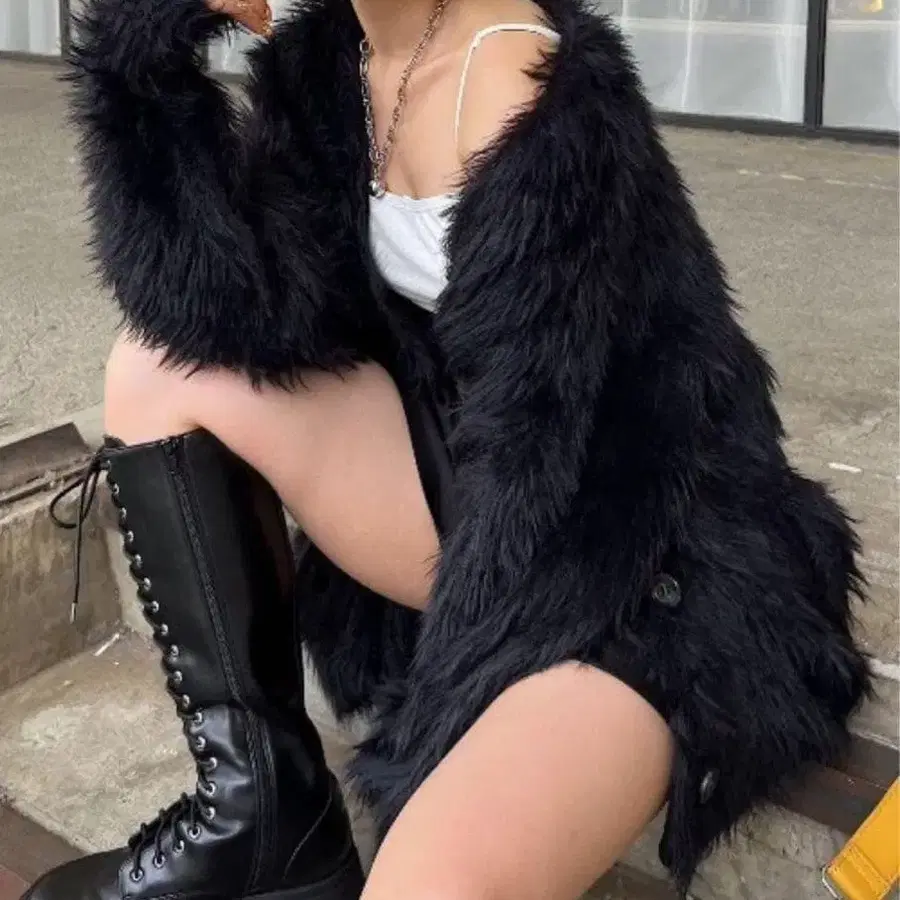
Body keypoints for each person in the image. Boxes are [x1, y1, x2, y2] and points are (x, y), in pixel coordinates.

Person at [26, 0, 870, 898]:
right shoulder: (331, 63)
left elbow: (562, 441)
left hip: (644, 555)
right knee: (155, 368)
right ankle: (261, 811)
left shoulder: (523, 83)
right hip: (484, 489)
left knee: (428, 882)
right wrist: (144, 63)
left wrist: (446, 722)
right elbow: (232, 311)